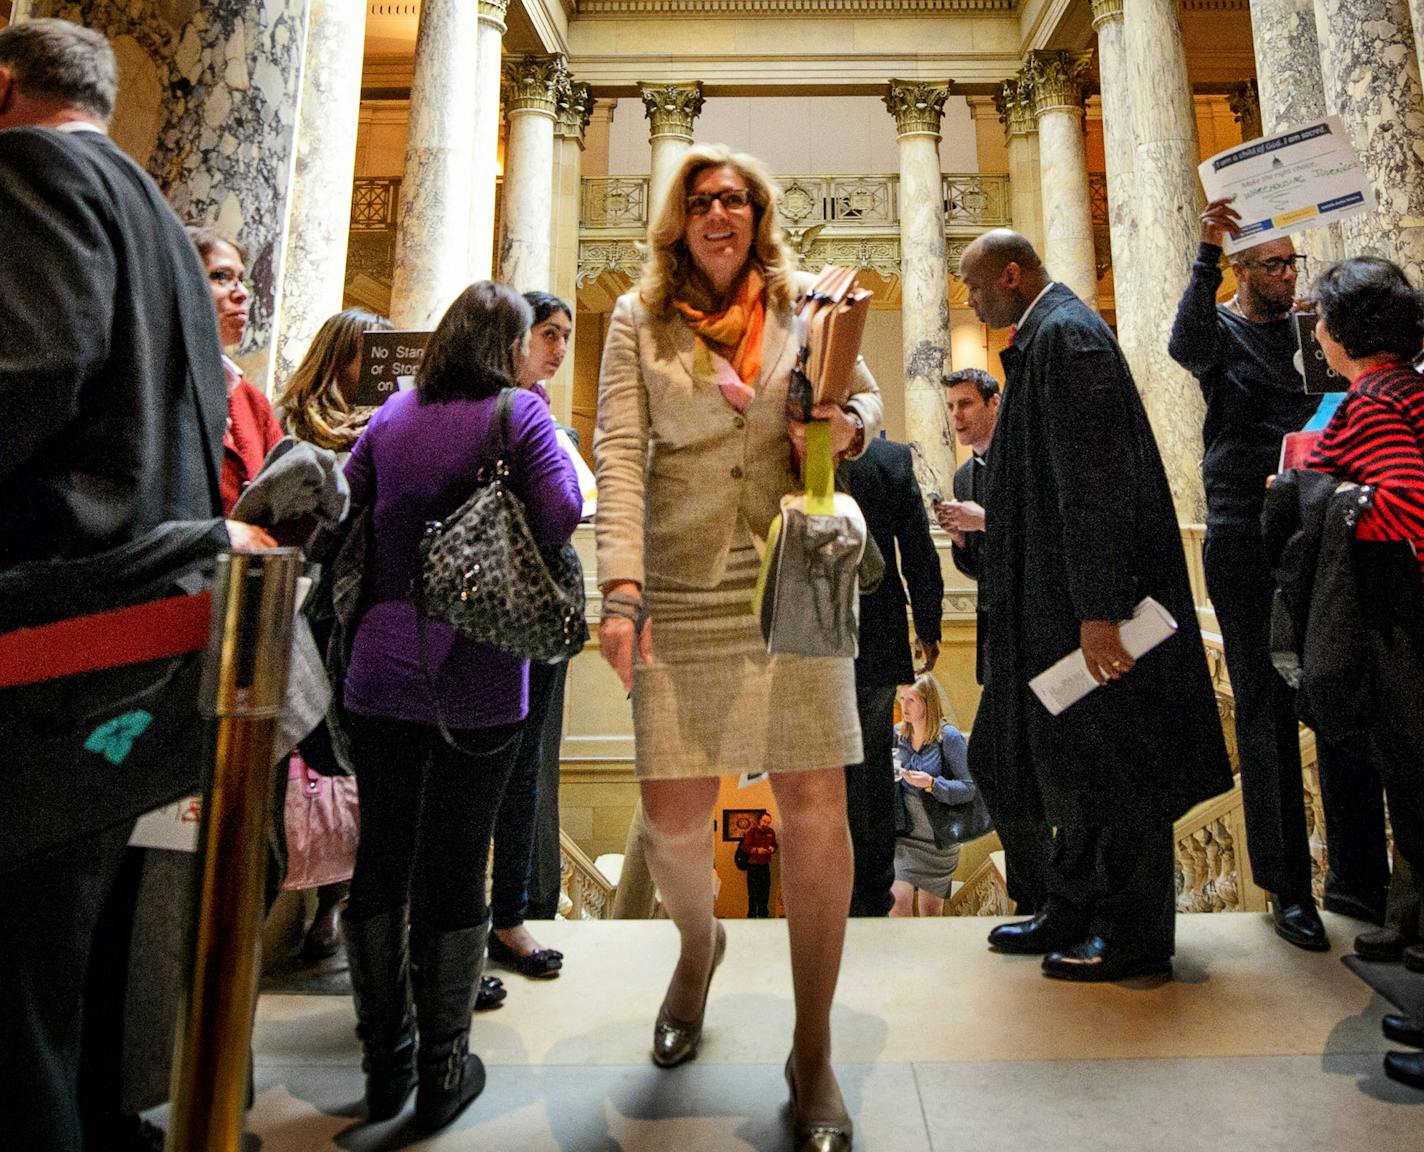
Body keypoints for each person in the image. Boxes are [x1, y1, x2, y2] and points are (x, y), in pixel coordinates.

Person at [595, 143, 881, 1150]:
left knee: (815, 802)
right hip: (677, 585)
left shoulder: (807, 304)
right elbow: (619, 455)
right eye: (703, 199)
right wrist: (619, 590)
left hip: (787, 572)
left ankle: (811, 1054)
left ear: (758, 217)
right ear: (679, 219)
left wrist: (840, 429)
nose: (721, 213)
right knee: (671, 817)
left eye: (738, 200)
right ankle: (697, 944)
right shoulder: (638, 319)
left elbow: (865, 406)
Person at [0, 21, 229, 1152]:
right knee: (57, 962)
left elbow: (32, 367)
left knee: (13, 994)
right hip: (135, 641)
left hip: (47, 634)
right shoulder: (157, 214)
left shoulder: (36, 167)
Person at [958, 229, 1231, 982]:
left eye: (976, 286)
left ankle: (1136, 935)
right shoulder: (1048, 333)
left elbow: (1095, 486)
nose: (971, 301)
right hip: (1053, 602)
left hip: (1086, 607)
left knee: (1115, 765)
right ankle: (1070, 908)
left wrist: (1100, 607)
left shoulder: (1068, 337)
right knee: (1070, 762)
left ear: (1012, 275)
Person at [340, 281, 581, 1130]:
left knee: (381, 857)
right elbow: (560, 515)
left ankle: (385, 1064)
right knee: (454, 859)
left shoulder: (393, 414)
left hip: (378, 662)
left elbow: (350, 501)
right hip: (475, 672)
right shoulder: (517, 415)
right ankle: (443, 1073)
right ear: (508, 346)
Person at [1168, 199, 1389, 951]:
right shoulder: (1220, 330)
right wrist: (1203, 249)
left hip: (1316, 524)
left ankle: (1359, 879)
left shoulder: (1307, 334)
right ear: (1240, 270)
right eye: (1273, 264)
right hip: (1241, 532)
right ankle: (1288, 890)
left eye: (1293, 263)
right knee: (1262, 711)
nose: (1288, 274)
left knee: (1339, 690)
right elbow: (1183, 342)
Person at [1297, 256, 1424, 1087]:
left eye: (1322, 319)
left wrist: (1323, 498)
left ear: (1346, 331)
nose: (1313, 333)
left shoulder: (1377, 404)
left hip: (1401, 627)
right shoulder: (1409, 390)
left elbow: (1406, 507)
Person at [275, 306, 394, 963]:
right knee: (310, 761)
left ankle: (343, 907)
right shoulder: (296, 427)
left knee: (362, 770)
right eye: (369, 353)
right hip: (306, 613)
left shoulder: (393, 427)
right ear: (339, 357)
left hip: (367, 615)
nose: (379, 368)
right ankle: (307, 902)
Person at [939, 366, 1053, 915]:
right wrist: (964, 539)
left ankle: (1045, 885)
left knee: (994, 757)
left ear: (993, 402)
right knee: (995, 762)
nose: (957, 417)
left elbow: (1048, 534)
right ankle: (1040, 885)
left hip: (1042, 631)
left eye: (965, 405)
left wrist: (989, 520)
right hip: (998, 639)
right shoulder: (964, 479)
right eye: (952, 408)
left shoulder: (1029, 453)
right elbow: (982, 567)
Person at [487, 290, 577, 978]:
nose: (559, 349)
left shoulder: (543, 413)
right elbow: (563, 507)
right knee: (493, 774)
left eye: (566, 337)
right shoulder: (498, 411)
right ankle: (488, 919)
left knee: (524, 774)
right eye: (549, 333)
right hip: (493, 611)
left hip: (535, 615)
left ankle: (509, 913)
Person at [838, 435, 943, 916]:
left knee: (821, 770)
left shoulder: (791, 445)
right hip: (875, 632)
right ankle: (872, 892)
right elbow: (918, 550)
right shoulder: (891, 458)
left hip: (807, 630)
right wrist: (928, 625)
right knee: (872, 763)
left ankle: (831, 888)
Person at [890, 676, 976, 918]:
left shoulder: (949, 738)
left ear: (928, 703)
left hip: (939, 839)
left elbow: (970, 788)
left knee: (931, 913)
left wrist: (931, 783)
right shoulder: (897, 735)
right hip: (905, 837)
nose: (904, 706)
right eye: (903, 698)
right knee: (898, 904)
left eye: (912, 700)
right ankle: (901, 955)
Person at [276, 306, 393, 453]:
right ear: (339, 356)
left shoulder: (388, 419)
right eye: (377, 351)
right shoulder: (290, 417)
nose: (385, 363)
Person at [741, 811, 779, 918]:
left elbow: (775, 845)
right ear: (759, 820)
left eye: (768, 822)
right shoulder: (752, 832)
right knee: (753, 894)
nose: (766, 824)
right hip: (753, 866)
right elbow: (745, 847)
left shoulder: (771, 832)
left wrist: (773, 848)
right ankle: (752, 917)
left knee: (765, 892)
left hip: (765, 866)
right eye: (764, 821)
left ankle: (763, 916)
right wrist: (757, 850)